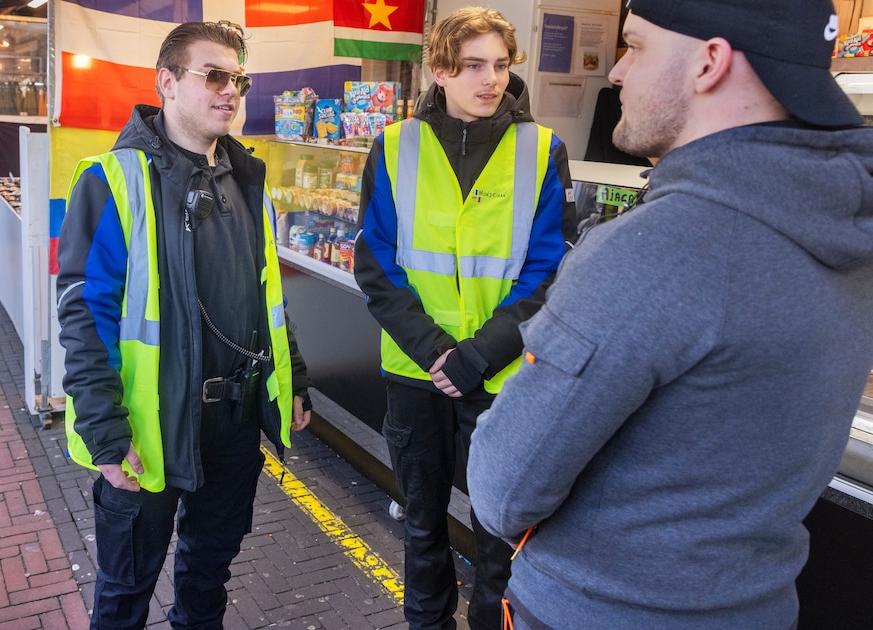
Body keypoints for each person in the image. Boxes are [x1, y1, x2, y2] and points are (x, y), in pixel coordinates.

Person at [466, 1, 873, 628]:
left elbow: (504, 489)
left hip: (596, 611)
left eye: (636, 46)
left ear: (709, 62)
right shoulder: (849, 234)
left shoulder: (654, 251)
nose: (618, 73)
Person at [56, 21, 312, 629]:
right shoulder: (111, 180)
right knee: (124, 593)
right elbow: (83, 314)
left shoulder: (250, 180)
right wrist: (104, 429)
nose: (231, 92)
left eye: (239, 80)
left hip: (233, 425)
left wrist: (292, 375)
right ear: (166, 83)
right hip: (149, 432)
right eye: (215, 76)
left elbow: (267, 296)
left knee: (207, 579)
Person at [352, 7, 575, 630]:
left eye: (500, 65)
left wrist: (478, 355)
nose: (491, 80)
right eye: (474, 65)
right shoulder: (394, 147)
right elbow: (376, 266)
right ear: (441, 70)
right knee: (421, 524)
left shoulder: (541, 150)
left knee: (500, 535)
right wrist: (435, 352)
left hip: (502, 378)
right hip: (415, 372)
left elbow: (548, 270)